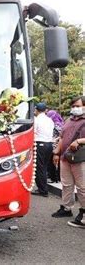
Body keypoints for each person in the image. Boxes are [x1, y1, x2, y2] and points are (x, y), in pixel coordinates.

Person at [51, 96, 85, 229]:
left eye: (78, 106)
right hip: (66, 157)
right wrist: (56, 153)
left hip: (81, 158)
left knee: (82, 187)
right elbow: (62, 138)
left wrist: (79, 141)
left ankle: (84, 214)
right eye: (73, 106)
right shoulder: (68, 120)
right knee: (66, 184)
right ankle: (66, 208)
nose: (75, 108)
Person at [32, 102, 54, 197]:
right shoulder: (50, 120)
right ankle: (43, 188)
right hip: (49, 144)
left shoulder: (36, 120)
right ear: (45, 110)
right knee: (44, 167)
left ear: (36, 110)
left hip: (40, 144)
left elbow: (34, 132)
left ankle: (42, 190)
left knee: (39, 168)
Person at [46, 110, 64, 183]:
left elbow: (61, 135)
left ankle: (54, 178)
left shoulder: (56, 124)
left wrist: (54, 139)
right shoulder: (61, 123)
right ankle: (57, 178)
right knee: (56, 163)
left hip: (55, 146)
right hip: (58, 145)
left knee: (53, 163)